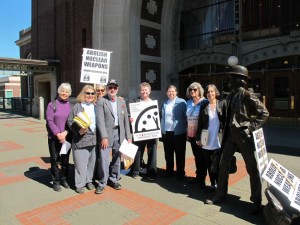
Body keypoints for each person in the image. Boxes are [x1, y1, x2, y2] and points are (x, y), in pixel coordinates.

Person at [205, 65, 269, 215]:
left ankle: (256, 201)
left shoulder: (247, 95)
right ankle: (220, 194)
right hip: (230, 136)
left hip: (243, 136)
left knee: (252, 168)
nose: (229, 80)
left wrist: (250, 127)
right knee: (222, 164)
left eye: (232, 77)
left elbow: (264, 113)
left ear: (240, 80)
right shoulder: (231, 95)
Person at [95, 79, 132, 194]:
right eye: (110, 87)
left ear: (117, 89)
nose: (112, 89)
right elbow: (100, 120)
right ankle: (102, 182)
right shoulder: (102, 101)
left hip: (119, 133)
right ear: (107, 89)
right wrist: (104, 137)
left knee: (117, 157)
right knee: (104, 159)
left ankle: (114, 179)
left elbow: (125, 119)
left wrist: (129, 136)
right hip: (107, 134)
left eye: (114, 87)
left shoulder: (121, 101)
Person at [67, 85, 97, 194]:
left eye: (92, 93)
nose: (90, 95)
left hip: (94, 139)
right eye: (87, 93)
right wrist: (78, 131)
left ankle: (89, 181)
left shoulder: (96, 106)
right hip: (81, 139)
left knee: (91, 163)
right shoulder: (77, 107)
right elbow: (70, 121)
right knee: (80, 164)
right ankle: (79, 184)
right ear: (83, 94)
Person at [196, 84, 225, 192]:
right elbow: (200, 124)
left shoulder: (222, 104)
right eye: (208, 92)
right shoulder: (204, 107)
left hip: (218, 140)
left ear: (215, 92)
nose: (210, 94)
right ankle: (213, 184)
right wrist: (198, 138)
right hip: (207, 140)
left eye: (212, 91)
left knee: (218, 165)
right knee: (209, 165)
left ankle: (220, 186)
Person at [46, 82, 72, 192]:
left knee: (65, 160)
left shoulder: (71, 105)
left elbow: (72, 122)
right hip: (54, 138)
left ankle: (64, 178)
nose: (64, 93)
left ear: (69, 93)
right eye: (62, 91)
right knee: (55, 159)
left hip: (66, 138)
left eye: (67, 91)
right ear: (58, 91)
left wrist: (65, 133)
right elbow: (50, 121)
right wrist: (58, 134)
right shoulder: (52, 105)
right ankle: (56, 181)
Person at [129, 82, 157, 181]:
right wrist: (130, 119)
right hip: (139, 133)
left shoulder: (153, 103)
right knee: (138, 151)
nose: (144, 91)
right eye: (142, 90)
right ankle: (135, 171)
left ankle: (151, 172)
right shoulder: (134, 102)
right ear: (140, 91)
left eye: (146, 90)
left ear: (149, 91)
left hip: (151, 133)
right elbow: (129, 115)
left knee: (152, 152)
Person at [161, 85, 187, 180]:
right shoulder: (164, 102)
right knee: (168, 153)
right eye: (169, 91)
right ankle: (169, 171)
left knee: (179, 154)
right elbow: (162, 116)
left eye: (173, 91)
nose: (171, 93)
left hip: (179, 133)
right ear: (166, 92)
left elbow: (186, 116)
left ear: (176, 92)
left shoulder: (181, 102)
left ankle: (180, 173)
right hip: (167, 132)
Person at [185, 82, 208, 188]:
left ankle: (203, 179)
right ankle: (198, 176)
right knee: (197, 156)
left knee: (203, 157)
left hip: (202, 135)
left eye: (195, 89)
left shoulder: (205, 102)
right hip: (191, 134)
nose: (192, 91)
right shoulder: (188, 103)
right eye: (191, 90)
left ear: (199, 90)